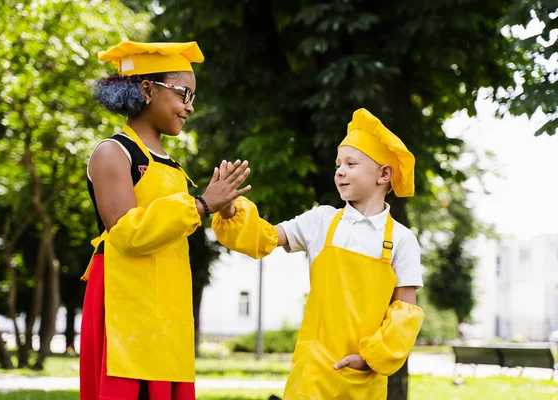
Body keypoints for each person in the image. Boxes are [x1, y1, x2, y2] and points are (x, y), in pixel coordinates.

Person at [212, 108, 425, 399]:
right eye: (338, 164)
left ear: (384, 174)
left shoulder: (402, 240)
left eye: (351, 163)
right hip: (312, 373)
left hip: (365, 380)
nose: (340, 171)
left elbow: (404, 314)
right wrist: (229, 209)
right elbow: (265, 237)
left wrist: (369, 359)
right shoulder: (322, 221)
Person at [79, 41, 251, 400]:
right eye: (184, 94)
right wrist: (202, 204)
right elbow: (127, 233)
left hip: (167, 311)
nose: (189, 107)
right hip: (127, 305)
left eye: (193, 97)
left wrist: (221, 205)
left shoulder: (170, 164)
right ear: (147, 89)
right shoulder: (113, 152)